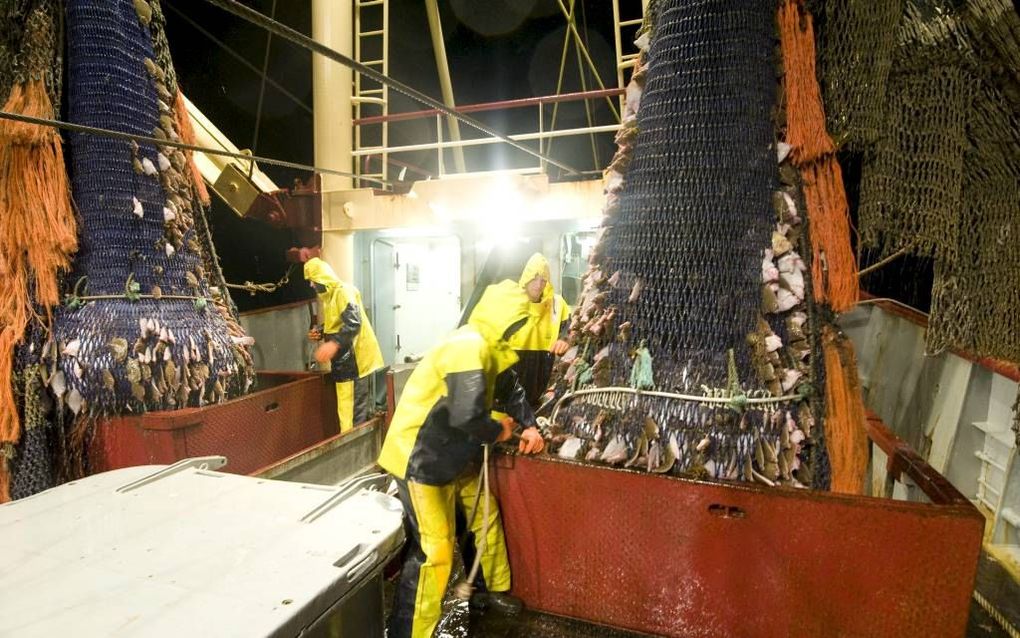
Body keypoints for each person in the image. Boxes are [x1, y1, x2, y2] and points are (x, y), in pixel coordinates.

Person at [379, 279, 546, 638]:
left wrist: (530, 426)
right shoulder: (468, 345)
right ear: (505, 319)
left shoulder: (492, 347)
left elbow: (508, 388)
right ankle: (409, 632)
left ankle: (487, 592)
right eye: (518, 323)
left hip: (454, 451)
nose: (521, 331)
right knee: (434, 550)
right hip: (420, 456)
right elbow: (466, 415)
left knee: (484, 517)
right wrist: (498, 430)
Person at [304, 257, 385, 433]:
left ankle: (357, 454)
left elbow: (353, 323)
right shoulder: (330, 297)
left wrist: (332, 345)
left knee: (356, 412)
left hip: (357, 360)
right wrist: (322, 332)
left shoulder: (343, 291)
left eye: (312, 280)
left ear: (321, 277)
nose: (311, 285)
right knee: (347, 407)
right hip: (345, 361)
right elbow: (339, 324)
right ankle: (348, 442)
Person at [502, 253, 571, 406]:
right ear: (525, 278)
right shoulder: (508, 304)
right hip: (505, 399)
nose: (539, 285)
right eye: (534, 278)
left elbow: (571, 327)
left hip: (538, 395)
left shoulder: (557, 304)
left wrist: (565, 339)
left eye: (543, 280)